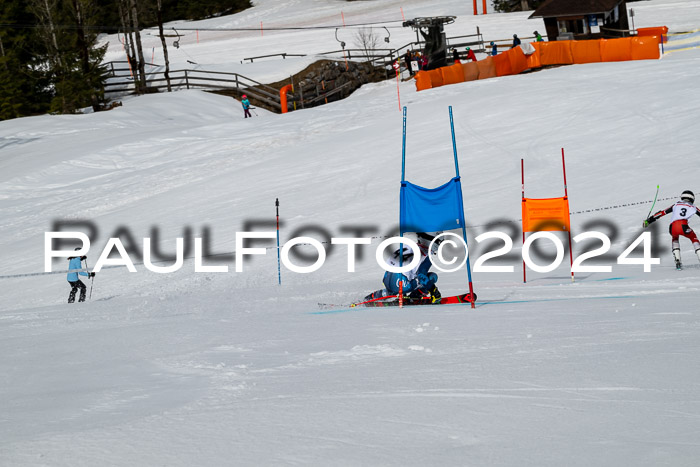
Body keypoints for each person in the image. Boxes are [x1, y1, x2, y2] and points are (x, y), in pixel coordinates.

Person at [364, 232, 441, 303]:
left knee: (392, 289)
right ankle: (415, 296)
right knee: (432, 277)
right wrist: (433, 290)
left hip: (387, 278)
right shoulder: (426, 256)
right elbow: (422, 277)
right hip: (401, 284)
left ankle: (373, 296)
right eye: (439, 242)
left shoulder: (407, 246)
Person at [644, 190, 700, 269]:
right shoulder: (693, 207)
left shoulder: (676, 204)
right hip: (683, 225)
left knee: (675, 238)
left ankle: (677, 261)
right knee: (693, 237)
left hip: (672, 227)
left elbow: (662, 213)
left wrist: (649, 220)